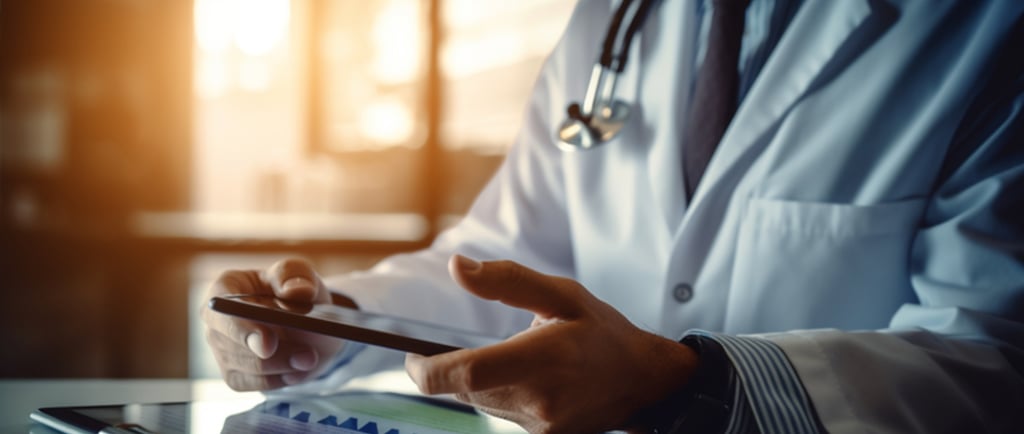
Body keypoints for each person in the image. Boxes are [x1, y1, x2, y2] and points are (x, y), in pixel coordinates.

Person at [202, 0, 1024, 433]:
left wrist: (684, 386)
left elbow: (993, 363)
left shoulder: (983, 26)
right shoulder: (618, 18)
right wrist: (336, 322)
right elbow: (506, 257)